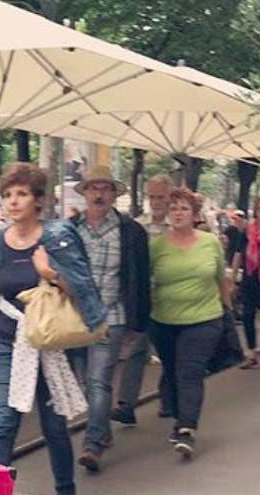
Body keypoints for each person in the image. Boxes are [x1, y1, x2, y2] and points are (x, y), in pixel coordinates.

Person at [0, 161, 106, 495]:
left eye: (22, 194)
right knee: (2, 422)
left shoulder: (58, 236)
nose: (14, 202)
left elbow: (82, 286)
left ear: (38, 201)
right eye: (8, 195)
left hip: (46, 343)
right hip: (6, 341)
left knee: (53, 423)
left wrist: (50, 273)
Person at [69, 166, 149, 473]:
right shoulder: (71, 229)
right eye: (93, 188)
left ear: (114, 194)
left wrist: (136, 324)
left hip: (112, 317)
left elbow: (140, 279)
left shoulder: (131, 232)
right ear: (86, 193)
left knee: (98, 381)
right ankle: (102, 429)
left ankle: (92, 445)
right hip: (74, 319)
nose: (99, 193)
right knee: (84, 382)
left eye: (105, 188)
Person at [149, 187, 232, 458]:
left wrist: (227, 309)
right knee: (172, 372)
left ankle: (187, 427)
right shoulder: (157, 246)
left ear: (194, 214)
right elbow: (145, 281)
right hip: (164, 321)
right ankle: (178, 414)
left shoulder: (210, 242)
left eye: (184, 208)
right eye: (173, 209)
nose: (178, 213)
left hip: (204, 318)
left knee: (190, 371)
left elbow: (221, 278)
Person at [115, 174, 171, 426]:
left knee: (169, 351)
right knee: (137, 349)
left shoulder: (179, 224)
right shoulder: (138, 226)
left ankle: (169, 397)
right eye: (152, 196)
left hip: (171, 298)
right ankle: (126, 404)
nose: (156, 202)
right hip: (143, 297)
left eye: (161, 197)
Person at [233, 195, 260, 368]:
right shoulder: (247, 231)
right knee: (247, 314)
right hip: (250, 278)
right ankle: (250, 352)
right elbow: (238, 253)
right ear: (256, 211)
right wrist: (233, 275)